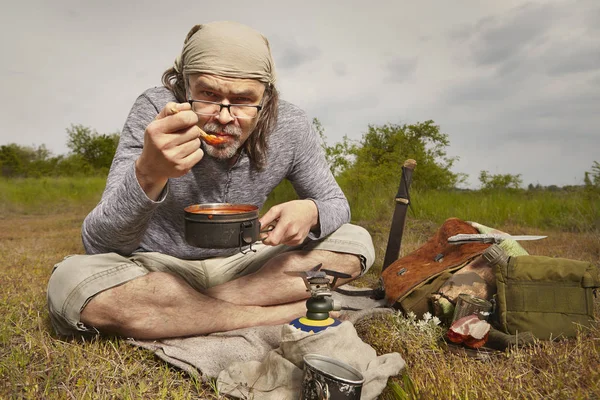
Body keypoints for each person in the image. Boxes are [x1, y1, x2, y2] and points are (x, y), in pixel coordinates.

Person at [47, 21, 374, 340]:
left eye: (244, 100)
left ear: (267, 97)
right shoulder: (154, 108)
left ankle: (183, 309)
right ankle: (270, 315)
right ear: (184, 86)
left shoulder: (291, 123)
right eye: (208, 94)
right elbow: (99, 243)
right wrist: (149, 172)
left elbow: (335, 203)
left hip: (245, 263)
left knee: (355, 243)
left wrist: (311, 211)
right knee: (70, 281)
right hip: (155, 267)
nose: (224, 116)